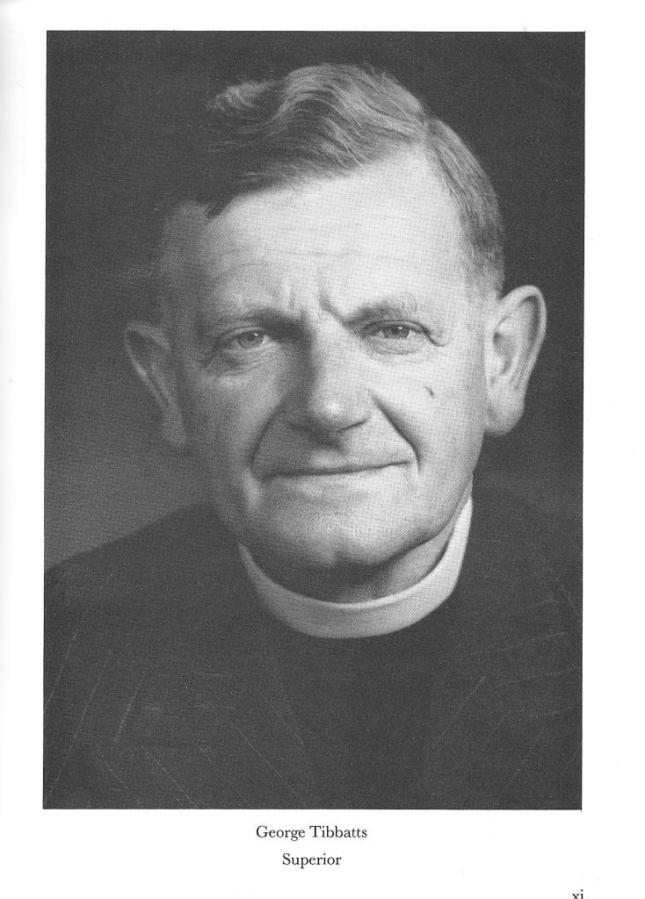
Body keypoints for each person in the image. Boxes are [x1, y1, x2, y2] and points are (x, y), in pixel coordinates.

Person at [44, 64, 581, 809]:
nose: (328, 406)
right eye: (251, 338)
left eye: (392, 329)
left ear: (502, 361)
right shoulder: (44, 656)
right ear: (168, 386)